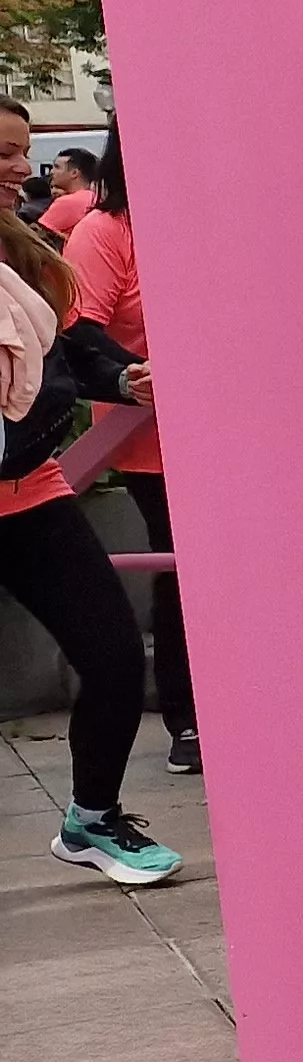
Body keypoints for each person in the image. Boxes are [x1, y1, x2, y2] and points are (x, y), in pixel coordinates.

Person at [0, 214, 184, 886]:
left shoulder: (22, 253)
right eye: (3, 154)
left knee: (112, 657)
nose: (19, 169)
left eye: (20, 152)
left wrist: (120, 381)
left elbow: (69, 347)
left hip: (32, 495)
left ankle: (92, 819)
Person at [62, 133, 195, 775]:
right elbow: (80, 326)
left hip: (221, 433)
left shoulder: (200, 217)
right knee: (182, 572)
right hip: (146, 436)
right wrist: (143, 373)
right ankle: (187, 718)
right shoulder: (103, 230)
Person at [36, 149, 98, 241]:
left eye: (57, 167)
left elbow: (34, 237)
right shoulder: (95, 197)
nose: (51, 172)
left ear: (74, 173)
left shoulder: (68, 202)